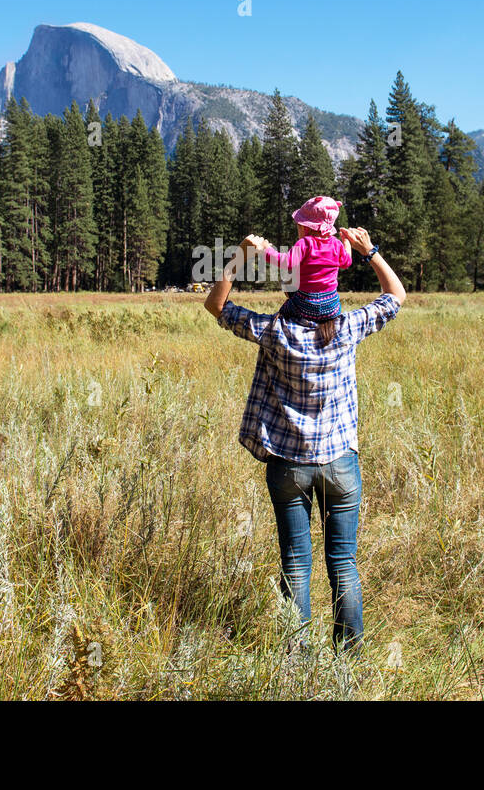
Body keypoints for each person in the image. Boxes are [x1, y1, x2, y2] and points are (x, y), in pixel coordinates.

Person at [203, 226, 406, 651]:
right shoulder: (348, 327)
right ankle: (347, 660)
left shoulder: (275, 331)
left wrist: (242, 255)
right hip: (340, 465)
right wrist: (369, 252)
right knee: (344, 565)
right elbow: (396, 295)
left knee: (296, 565)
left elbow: (216, 304)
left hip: (287, 466)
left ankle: (296, 664)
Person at [261, 195, 352, 323]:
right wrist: (346, 242)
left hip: (306, 305)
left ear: (305, 227)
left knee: (284, 310)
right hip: (332, 307)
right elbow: (347, 262)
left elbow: (286, 262)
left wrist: (266, 250)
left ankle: (280, 328)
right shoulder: (336, 244)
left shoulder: (305, 243)